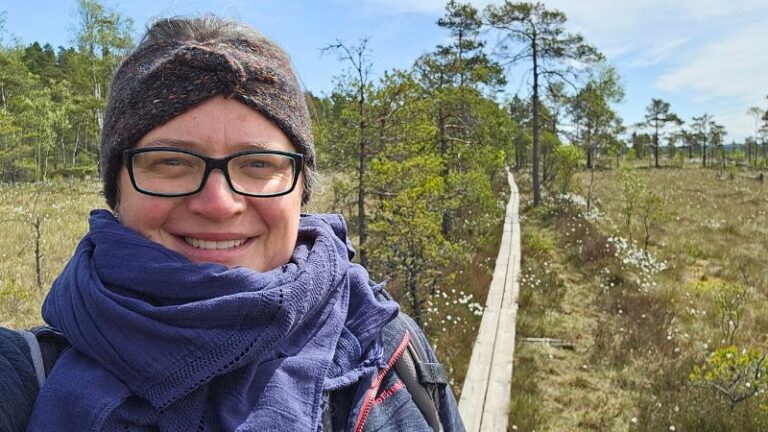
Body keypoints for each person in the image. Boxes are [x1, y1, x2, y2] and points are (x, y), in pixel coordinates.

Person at [1, 15, 464, 432]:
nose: (219, 203)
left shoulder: (389, 349)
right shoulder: (22, 377)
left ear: (302, 187)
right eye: (171, 162)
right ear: (116, 187)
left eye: (259, 165)